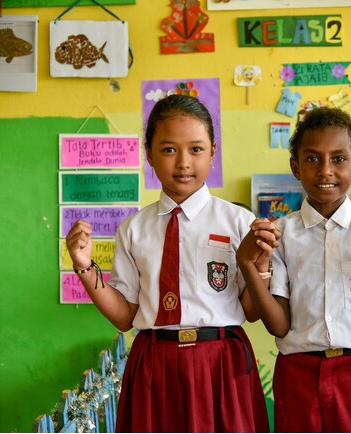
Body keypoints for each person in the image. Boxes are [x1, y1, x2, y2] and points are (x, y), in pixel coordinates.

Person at [65, 94, 270, 433]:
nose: (184, 163)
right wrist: (84, 265)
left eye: (196, 149)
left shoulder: (239, 222)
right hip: (154, 363)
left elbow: (251, 310)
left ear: (213, 152)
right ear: (149, 154)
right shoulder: (133, 229)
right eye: (169, 149)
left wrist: (262, 264)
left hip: (220, 363)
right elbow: (124, 316)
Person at [236, 107, 351, 432]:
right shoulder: (281, 233)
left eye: (338, 159)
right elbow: (279, 325)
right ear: (295, 167)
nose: (325, 170)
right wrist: (249, 265)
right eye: (312, 159)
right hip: (298, 374)